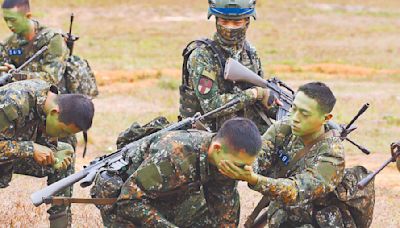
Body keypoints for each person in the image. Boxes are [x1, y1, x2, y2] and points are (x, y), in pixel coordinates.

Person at [219, 82, 350, 227]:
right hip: (282, 215)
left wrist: (255, 180)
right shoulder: (285, 128)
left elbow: (296, 191)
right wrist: (244, 166)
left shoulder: (332, 155)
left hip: (313, 221)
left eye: (304, 114)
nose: (295, 117)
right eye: (294, 109)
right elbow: (259, 155)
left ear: (326, 118)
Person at [91, 118, 262, 227]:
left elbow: (225, 213)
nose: (242, 172)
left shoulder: (225, 165)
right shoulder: (175, 155)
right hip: (123, 195)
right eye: (240, 165)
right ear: (217, 148)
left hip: (167, 194)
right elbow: (129, 201)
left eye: (246, 166)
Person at [0, 79, 95, 227]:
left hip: (10, 151)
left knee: (66, 162)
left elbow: (34, 134)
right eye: (63, 131)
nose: (62, 135)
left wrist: (57, 150)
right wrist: (31, 149)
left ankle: (60, 224)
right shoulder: (13, 102)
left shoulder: (52, 103)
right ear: (54, 112)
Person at [179, 0, 276, 133]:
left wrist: (272, 101)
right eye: (224, 22)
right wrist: (254, 94)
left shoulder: (250, 53)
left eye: (237, 23)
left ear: (247, 22)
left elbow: (260, 94)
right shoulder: (202, 56)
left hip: (245, 130)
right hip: (208, 134)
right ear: (216, 21)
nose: (230, 28)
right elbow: (211, 106)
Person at [0, 0, 68, 86]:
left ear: (28, 16)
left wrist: (17, 75)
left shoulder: (52, 39)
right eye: (6, 20)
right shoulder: (8, 43)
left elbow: (51, 78)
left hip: (51, 93)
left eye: (13, 20)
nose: (9, 25)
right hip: (19, 89)